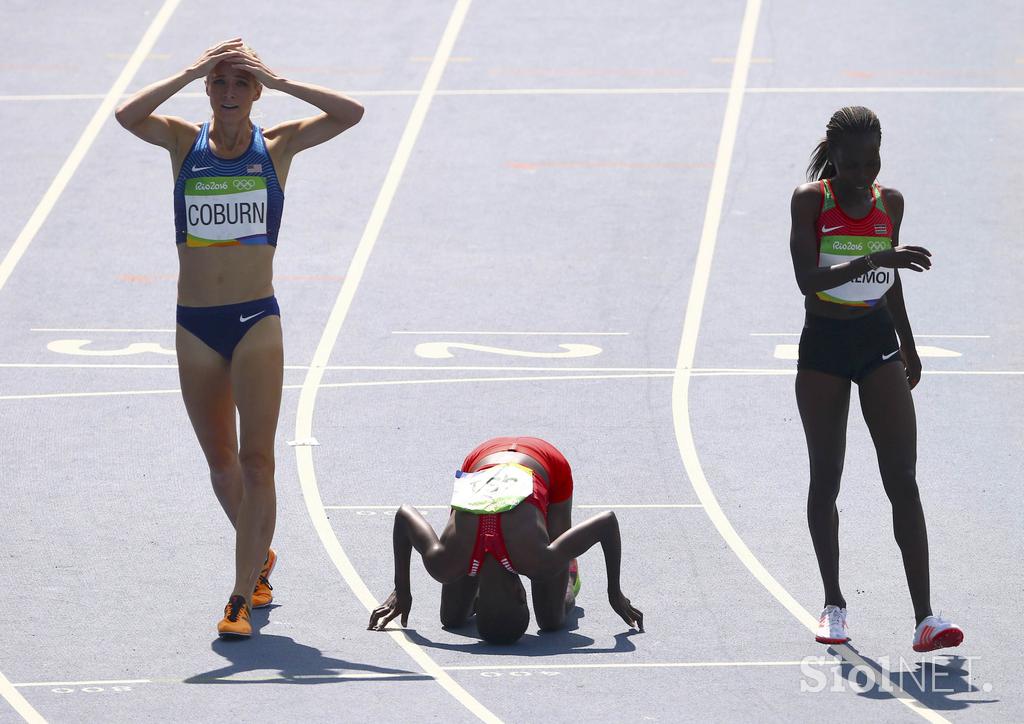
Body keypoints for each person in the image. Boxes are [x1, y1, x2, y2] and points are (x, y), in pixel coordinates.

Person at [115, 38, 364, 638]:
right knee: (222, 466)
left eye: (239, 85)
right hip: (195, 325)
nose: (228, 95)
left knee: (257, 463)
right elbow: (126, 116)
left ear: (254, 94)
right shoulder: (182, 142)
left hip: (256, 320)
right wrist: (191, 68)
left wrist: (280, 82)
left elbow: (350, 113)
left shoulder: (276, 147)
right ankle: (260, 554)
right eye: (219, 84)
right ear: (208, 91)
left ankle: (240, 595)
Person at [789, 106, 963, 652]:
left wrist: (908, 343)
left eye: (872, 160)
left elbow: (890, 281)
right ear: (832, 156)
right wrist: (875, 260)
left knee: (903, 479)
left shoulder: (892, 203)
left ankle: (925, 619)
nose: (864, 172)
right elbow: (808, 280)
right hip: (824, 347)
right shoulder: (811, 200)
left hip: (877, 342)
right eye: (852, 162)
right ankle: (834, 604)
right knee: (827, 477)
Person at [367, 437, 643, 644]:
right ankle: (565, 568)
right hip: (504, 459)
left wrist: (614, 594)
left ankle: (566, 566)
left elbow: (607, 522)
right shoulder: (446, 563)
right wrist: (402, 591)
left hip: (517, 458)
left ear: (520, 595)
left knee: (459, 619)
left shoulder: (535, 559)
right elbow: (404, 515)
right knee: (548, 619)